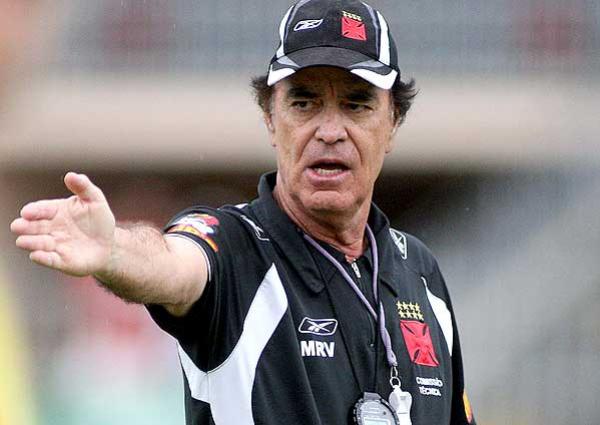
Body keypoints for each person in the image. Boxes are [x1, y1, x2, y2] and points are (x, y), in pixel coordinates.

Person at [10, 0, 476, 424]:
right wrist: (114, 250)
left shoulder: (421, 273)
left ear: (393, 122)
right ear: (270, 118)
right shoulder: (234, 249)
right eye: (304, 102)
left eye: (356, 104)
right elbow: (173, 264)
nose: (329, 130)